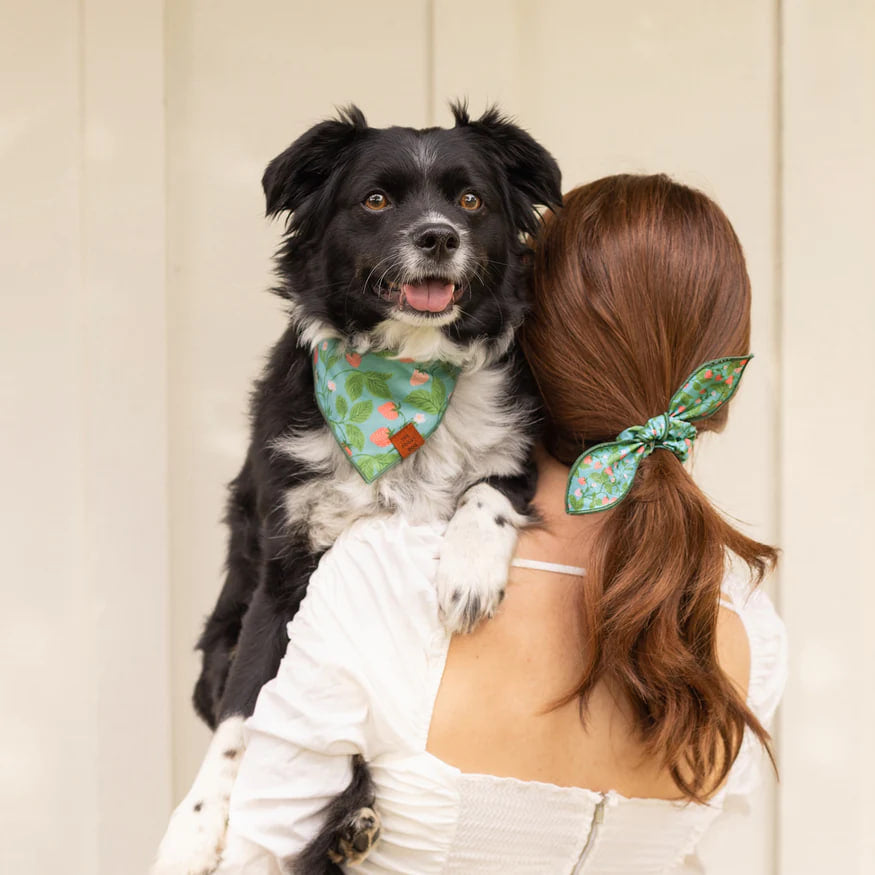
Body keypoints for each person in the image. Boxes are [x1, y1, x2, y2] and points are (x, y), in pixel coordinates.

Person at [216, 174, 787, 873]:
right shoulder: (744, 626)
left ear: (518, 322)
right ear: (720, 377)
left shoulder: (383, 574)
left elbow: (244, 857)